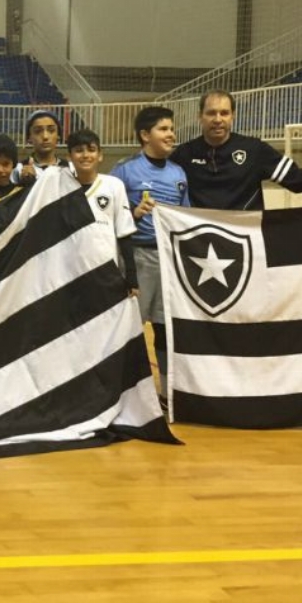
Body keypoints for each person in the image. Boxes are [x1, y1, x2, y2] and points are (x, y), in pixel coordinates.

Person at [170, 90, 302, 209]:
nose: (218, 119)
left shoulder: (254, 150)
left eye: (224, 113)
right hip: (197, 245)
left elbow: (299, 178)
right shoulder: (183, 154)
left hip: (247, 242)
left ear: (233, 116)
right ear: (200, 117)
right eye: (211, 113)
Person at [111, 106, 190, 400]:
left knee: (165, 328)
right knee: (128, 328)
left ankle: (166, 391)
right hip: (136, 257)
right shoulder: (124, 170)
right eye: (164, 129)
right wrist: (133, 213)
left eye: (172, 128)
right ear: (145, 135)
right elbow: (107, 215)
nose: (171, 134)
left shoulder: (178, 173)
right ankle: (122, 391)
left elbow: (186, 216)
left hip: (169, 261)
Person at [65, 129, 138, 293]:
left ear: (100, 155)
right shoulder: (61, 188)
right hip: (69, 273)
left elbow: (124, 233)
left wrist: (131, 275)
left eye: (91, 150)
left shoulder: (114, 185)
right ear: (69, 157)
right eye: (79, 151)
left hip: (107, 271)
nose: (85, 155)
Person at [19, 109, 69, 183]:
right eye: (38, 131)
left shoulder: (69, 169)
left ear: (58, 135)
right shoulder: (19, 169)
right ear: (29, 138)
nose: (45, 136)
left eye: (51, 130)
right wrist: (25, 183)